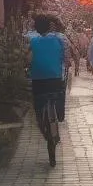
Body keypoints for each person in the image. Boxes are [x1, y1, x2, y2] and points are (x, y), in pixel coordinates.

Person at [26, 14, 68, 157]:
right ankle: (60, 117)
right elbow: (65, 58)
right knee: (59, 96)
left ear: (35, 28)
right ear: (50, 26)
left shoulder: (32, 41)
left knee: (38, 109)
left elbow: (28, 59)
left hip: (38, 81)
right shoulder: (60, 39)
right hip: (56, 79)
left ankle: (45, 131)